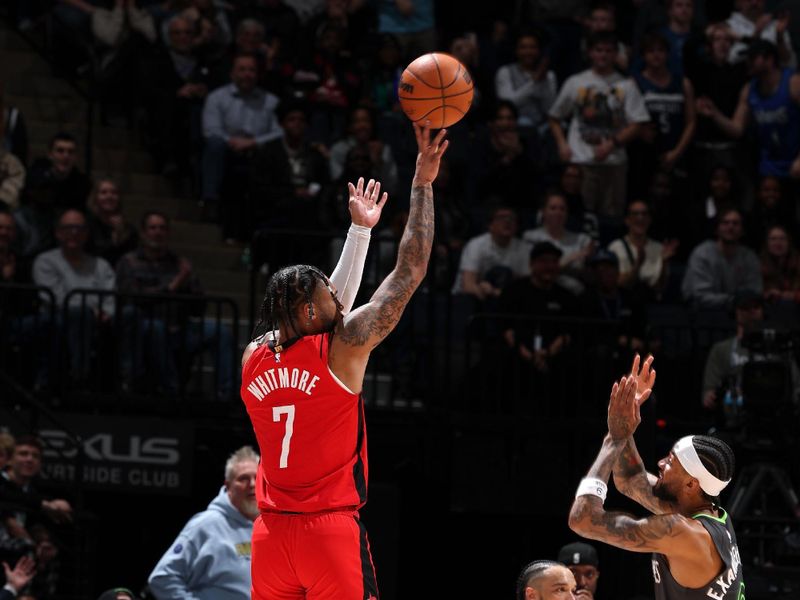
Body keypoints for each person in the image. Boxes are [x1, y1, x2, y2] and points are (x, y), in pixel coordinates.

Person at [240, 122, 446, 599]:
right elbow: (410, 270)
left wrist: (359, 231)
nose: (339, 296)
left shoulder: (253, 356)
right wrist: (422, 184)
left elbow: (324, 310)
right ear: (311, 311)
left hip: (270, 537)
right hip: (327, 531)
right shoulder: (342, 350)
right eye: (328, 294)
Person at [568, 355, 744, 600]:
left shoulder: (684, 533)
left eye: (671, 462)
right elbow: (630, 480)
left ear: (691, 483)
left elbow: (582, 520)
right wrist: (622, 423)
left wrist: (614, 441)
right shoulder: (704, 512)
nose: (661, 463)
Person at [549, 31, 650, 218]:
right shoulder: (576, 82)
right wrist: (562, 144)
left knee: (612, 218)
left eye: (608, 51)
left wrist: (612, 144)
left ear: (615, 54)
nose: (603, 55)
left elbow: (638, 123)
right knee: (582, 216)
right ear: (590, 53)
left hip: (614, 162)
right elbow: (555, 117)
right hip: (581, 161)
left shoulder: (626, 84)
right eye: (599, 50)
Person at [148, 446, 259, 600]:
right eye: (243, 478)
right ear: (228, 486)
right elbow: (163, 578)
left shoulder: (270, 528)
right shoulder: (206, 525)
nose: (252, 484)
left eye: (257, 477)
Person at [681, 208, 762, 310]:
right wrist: (733, 300)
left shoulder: (749, 257)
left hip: (739, 312)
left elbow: (754, 291)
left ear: (742, 230)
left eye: (735, 223)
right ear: (717, 229)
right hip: (703, 313)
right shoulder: (702, 253)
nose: (730, 227)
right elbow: (699, 295)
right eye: (725, 223)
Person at [451, 205, 530, 303]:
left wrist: (495, 292)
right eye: (501, 218)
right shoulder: (476, 245)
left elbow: (527, 286)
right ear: (490, 225)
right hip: (467, 301)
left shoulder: (524, 248)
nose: (508, 221)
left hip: (507, 302)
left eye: (512, 218)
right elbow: (468, 285)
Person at [85, 178, 139, 267]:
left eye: (114, 193)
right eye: (103, 192)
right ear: (95, 197)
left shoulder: (129, 228)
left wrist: (122, 236)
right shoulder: (87, 225)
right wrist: (114, 241)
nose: (109, 196)